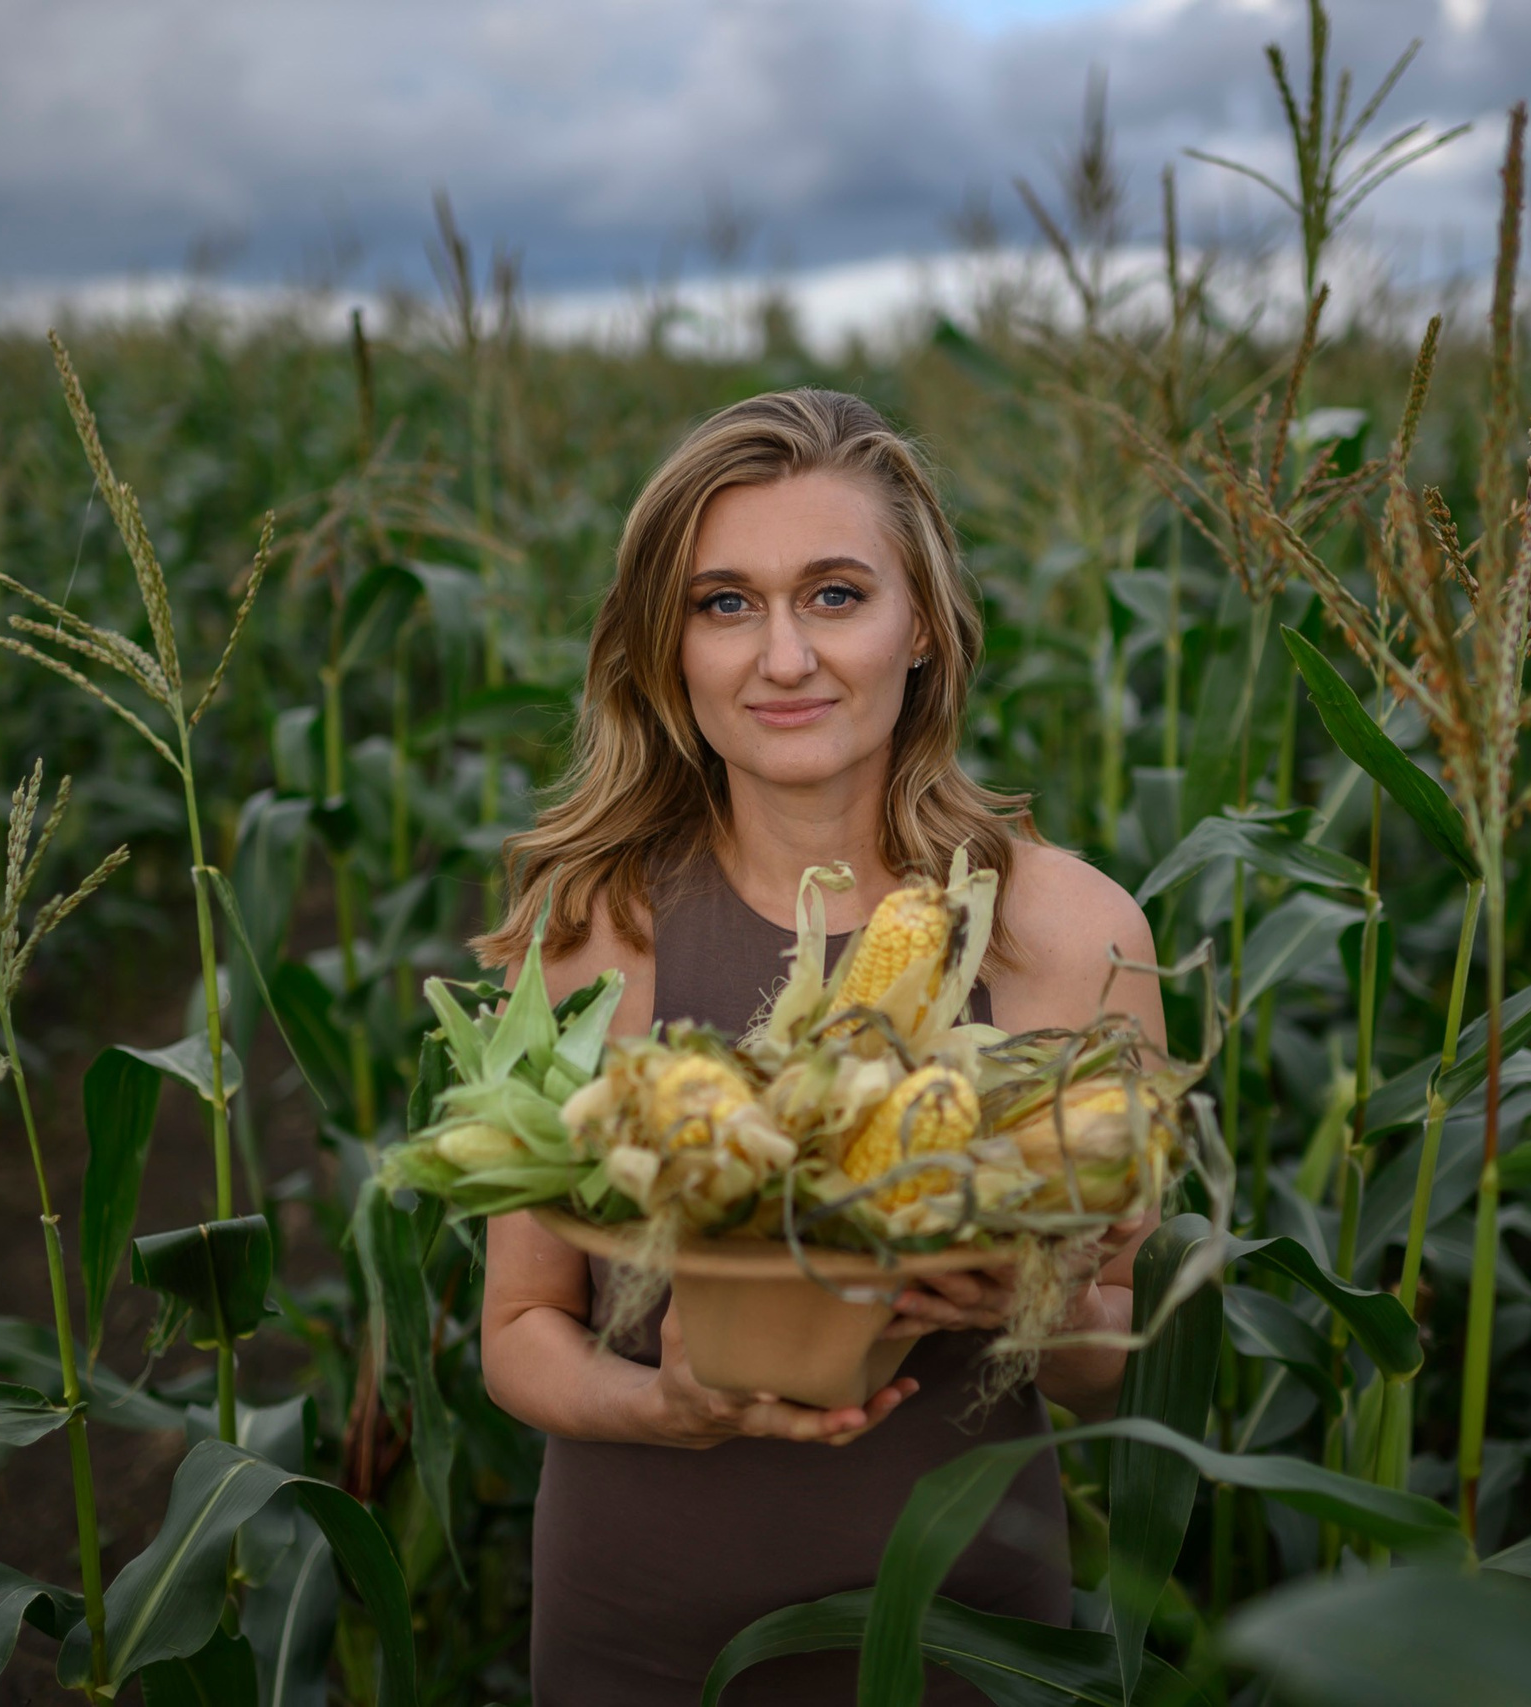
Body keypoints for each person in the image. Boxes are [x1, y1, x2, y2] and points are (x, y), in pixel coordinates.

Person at [470, 388, 1167, 1705]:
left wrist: (1039, 1306)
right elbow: (519, 1327)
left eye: (835, 595)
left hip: (967, 1634)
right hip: (638, 1633)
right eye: (724, 603)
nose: (783, 657)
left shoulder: (1072, 937)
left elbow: (1117, 1353)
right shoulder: (585, 935)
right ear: (665, 648)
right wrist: (661, 1405)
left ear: (923, 629)